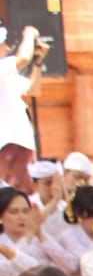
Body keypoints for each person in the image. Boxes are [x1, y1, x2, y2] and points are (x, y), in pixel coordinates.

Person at [0, 28, 43, 189]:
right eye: (3, 44)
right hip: (8, 146)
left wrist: (38, 62)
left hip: (20, 146)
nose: (7, 47)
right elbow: (23, 58)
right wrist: (29, 34)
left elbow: (33, 90)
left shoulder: (6, 76)